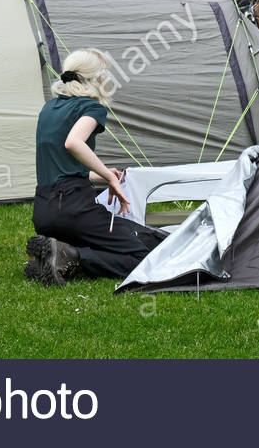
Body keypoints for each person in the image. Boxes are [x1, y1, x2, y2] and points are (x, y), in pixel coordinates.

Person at [25, 49, 166, 285]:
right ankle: (71, 256)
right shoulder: (91, 107)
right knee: (145, 255)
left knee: (144, 236)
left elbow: (61, 162)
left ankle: (53, 252)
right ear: (97, 78)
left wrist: (98, 175)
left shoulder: (48, 109)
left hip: (44, 212)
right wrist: (109, 178)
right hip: (73, 209)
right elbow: (73, 143)